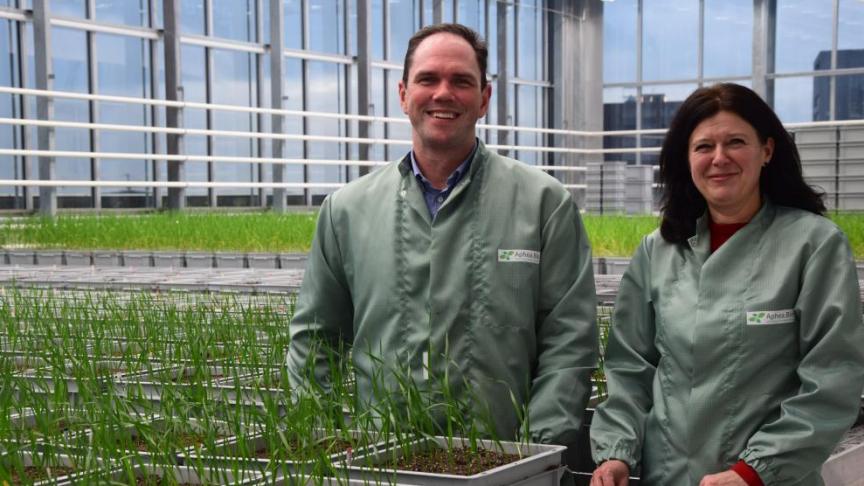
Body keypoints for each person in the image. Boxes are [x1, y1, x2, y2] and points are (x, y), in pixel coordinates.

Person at [286, 23, 597, 448]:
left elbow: (569, 340)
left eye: (462, 81)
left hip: (504, 464)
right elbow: (316, 337)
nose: (443, 93)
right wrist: (323, 443)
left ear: (485, 98)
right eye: (428, 79)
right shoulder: (346, 211)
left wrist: (531, 454)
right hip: (382, 466)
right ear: (403, 94)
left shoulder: (544, 203)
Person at [589, 83, 864, 486]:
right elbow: (630, 368)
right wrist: (616, 454)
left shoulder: (813, 246)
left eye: (735, 142)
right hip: (668, 475)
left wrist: (753, 471)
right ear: (686, 158)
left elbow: (832, 378)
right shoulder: (658, 251)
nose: (719, 158)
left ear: (767, 150)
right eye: (703, 147)